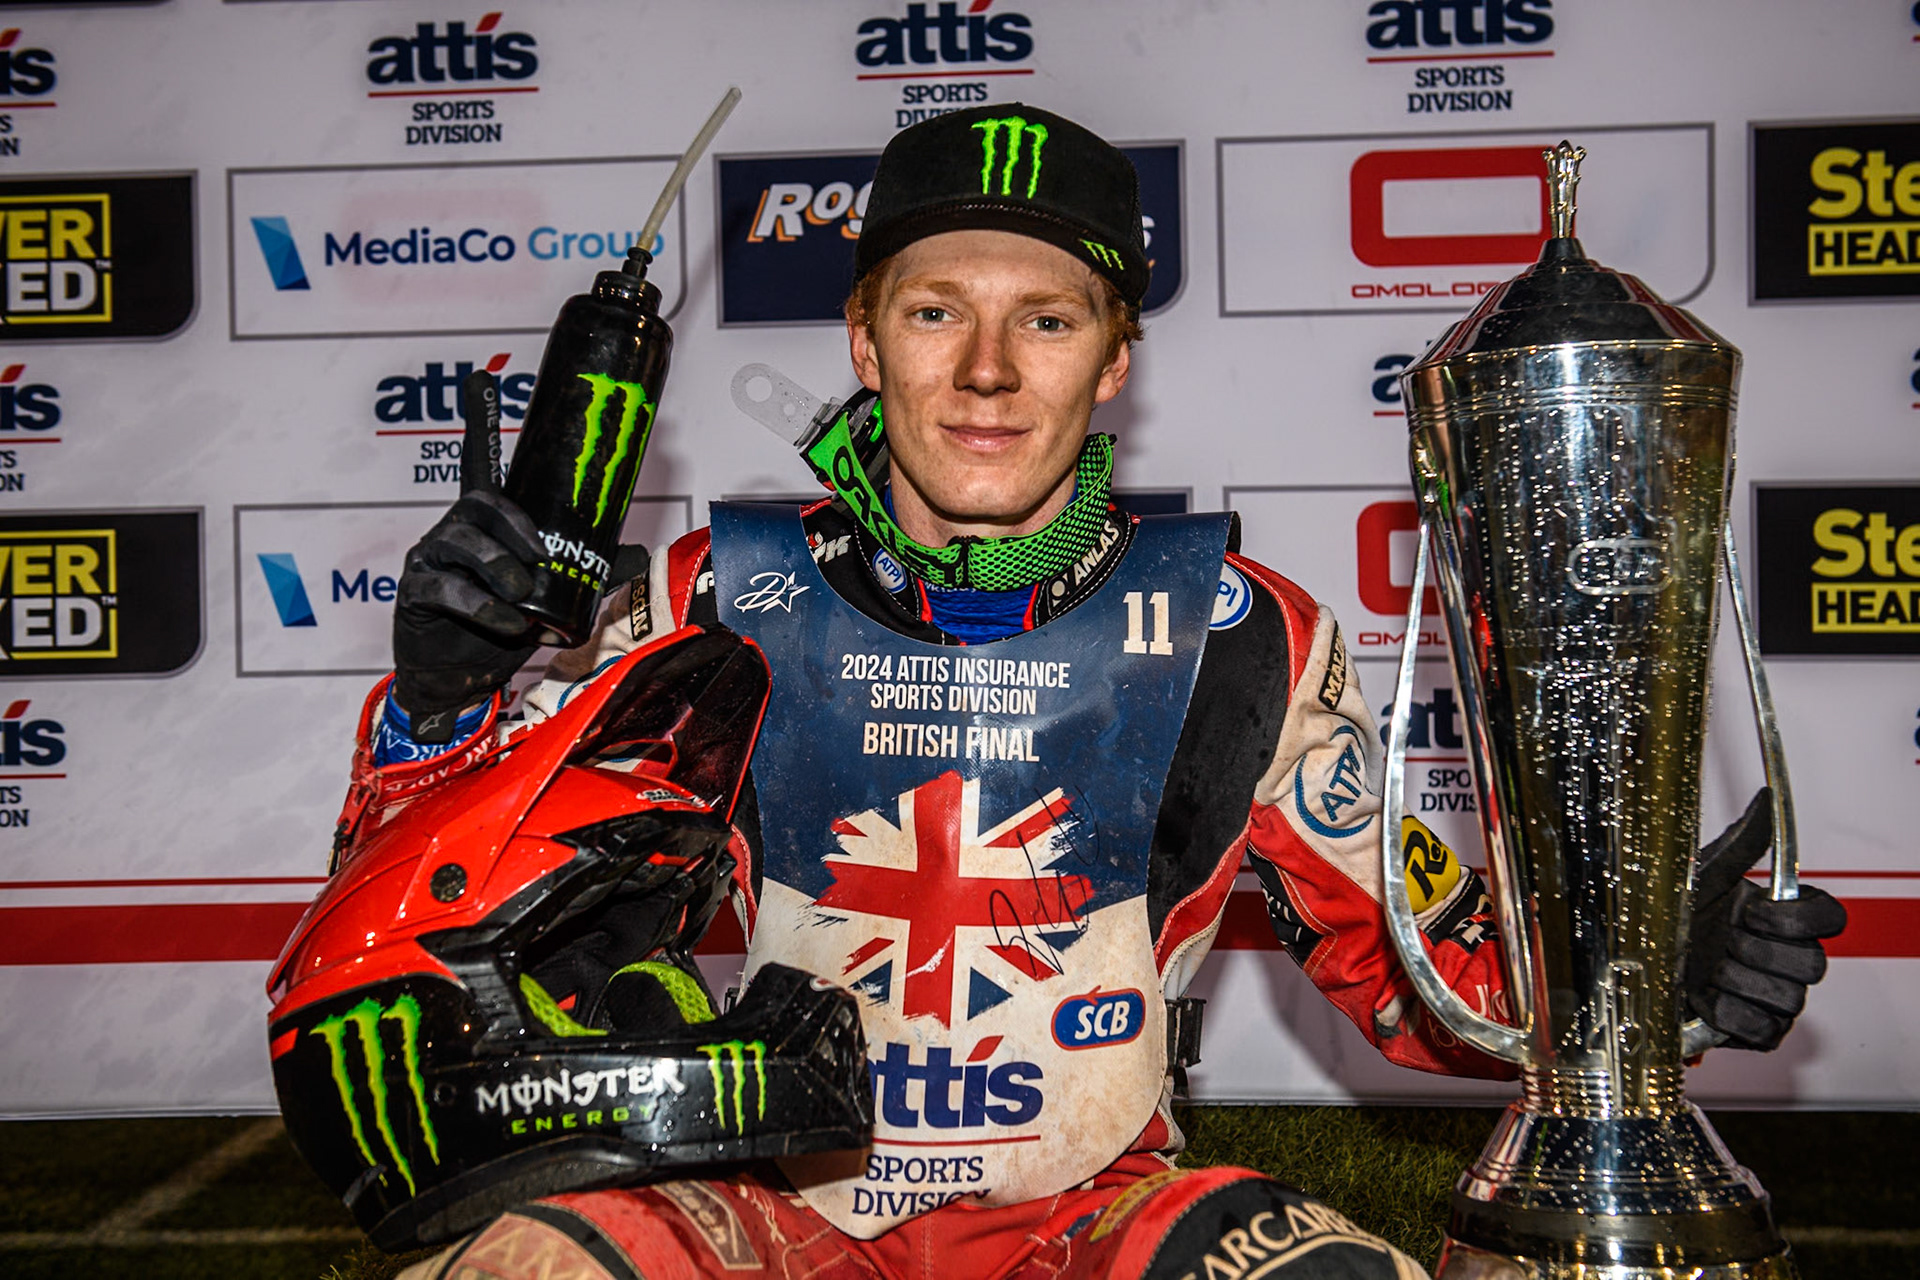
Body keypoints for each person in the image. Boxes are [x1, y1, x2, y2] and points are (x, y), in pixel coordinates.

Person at [347, 104, 1842, 1280]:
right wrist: (438, 709)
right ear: (865, 340)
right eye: (936, 313)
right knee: (518, 1265)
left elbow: (1417, 980)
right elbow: (432, 942)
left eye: (1048, 321)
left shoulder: (1236, 631)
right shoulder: (707, 603)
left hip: (1094, 1220)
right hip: (766, 1210)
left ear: (1115, 360)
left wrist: (1630, 986)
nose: (989, 372)